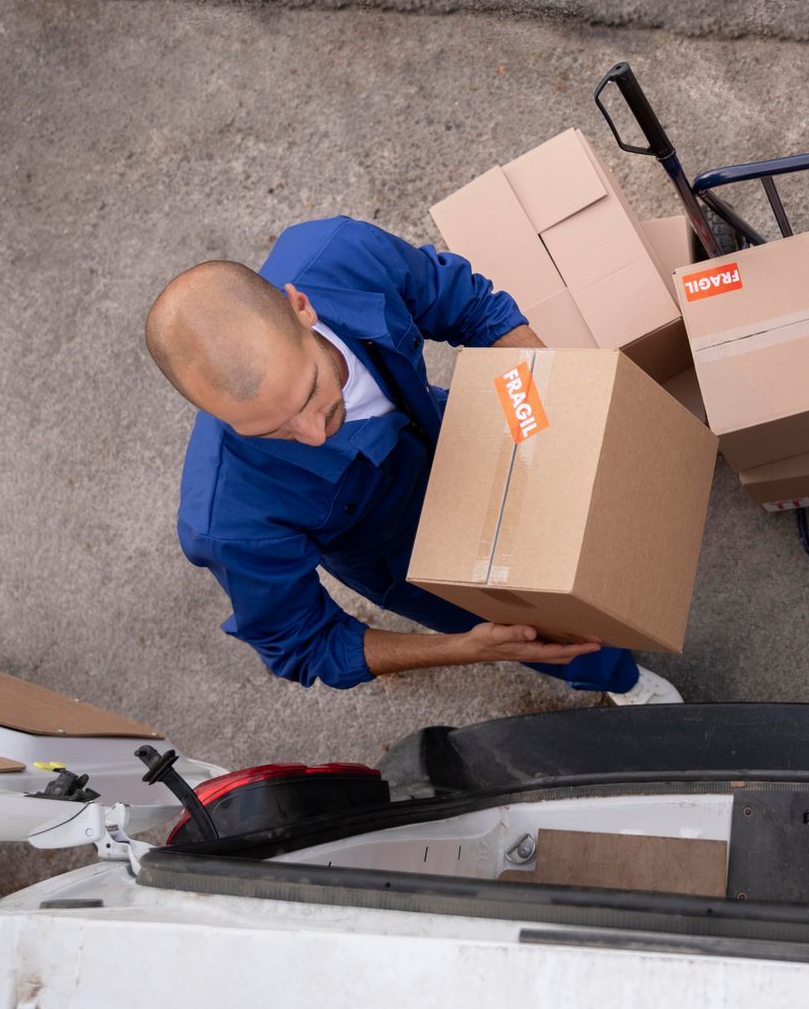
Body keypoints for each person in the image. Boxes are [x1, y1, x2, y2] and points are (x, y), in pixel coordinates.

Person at [144, 215, 682, 703]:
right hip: (406, 558)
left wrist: (558, 405)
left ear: (301, 308)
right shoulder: (228, 526)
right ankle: (619, 679)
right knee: (552, 632)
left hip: (457, 434)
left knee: (585, 528)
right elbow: (306, 644)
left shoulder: (345, 254)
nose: (312, 433)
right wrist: (465, 647)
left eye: (309, 393)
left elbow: (470, 306)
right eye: (270, 429)